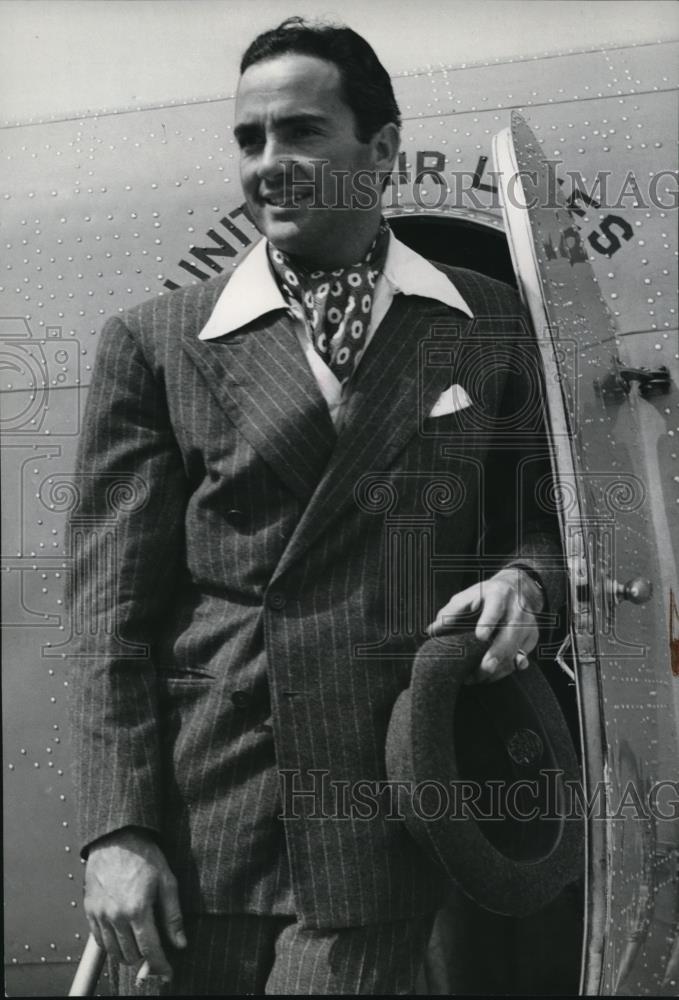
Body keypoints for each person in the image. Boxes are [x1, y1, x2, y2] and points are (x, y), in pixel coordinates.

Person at [68, 16, 565, 996]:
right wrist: (117, 833)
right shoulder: (156, 343)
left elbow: (542, 519)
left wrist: (524, 580)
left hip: (380, 803)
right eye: (249, 140)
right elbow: (108, 617)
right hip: (204, 816)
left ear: (379, 150)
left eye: (300, 132)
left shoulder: (486, 319)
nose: (268, 163)